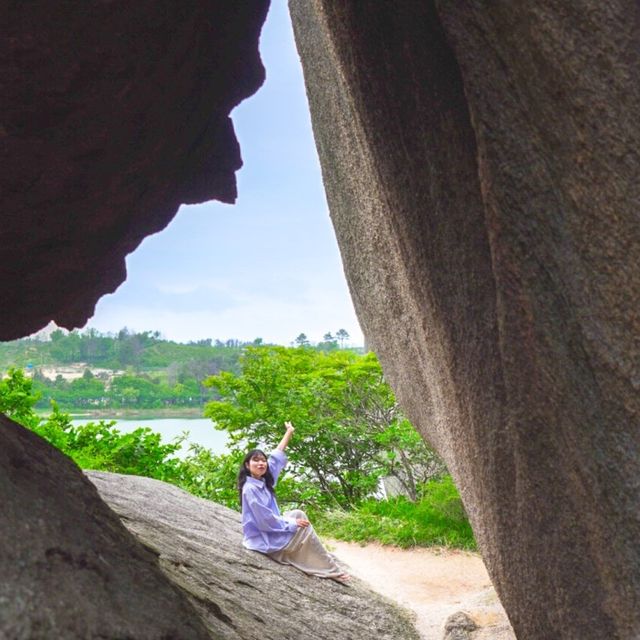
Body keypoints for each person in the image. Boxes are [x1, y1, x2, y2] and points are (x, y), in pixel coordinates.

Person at [238, 421, 349, 583]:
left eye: (263, 460)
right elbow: (265, 520)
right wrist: (292, 523)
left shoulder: (264, 481)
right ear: (247, 466)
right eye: (256, 460)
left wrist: (289, 432)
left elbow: (276, 457)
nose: (261, 463)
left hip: (270, 531)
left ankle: (317, 561)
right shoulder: (250, 489)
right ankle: (331, 570)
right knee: (303, 527)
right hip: (264, 539)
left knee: (299, 514)